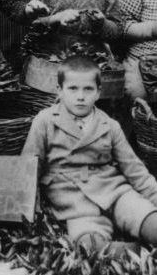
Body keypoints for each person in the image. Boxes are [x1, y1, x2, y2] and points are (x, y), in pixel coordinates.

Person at [21, 56, 157, 250]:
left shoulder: (109, 125)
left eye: (88, 89)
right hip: (73, 199)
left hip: (113, 189)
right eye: (73, 88)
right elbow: (29, 166)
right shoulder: (45, 121)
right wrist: (27, 209)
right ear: (59, 90)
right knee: (88, 243)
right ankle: (129, 251)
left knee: (149, 219)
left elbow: (135, 170)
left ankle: (144, 238)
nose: (80, 96)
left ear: (98, 92)